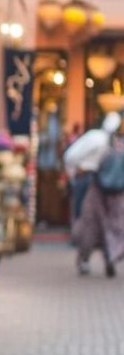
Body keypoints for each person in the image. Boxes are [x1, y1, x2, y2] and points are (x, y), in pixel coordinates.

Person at [64, 111, 124, 275]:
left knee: (97, 223)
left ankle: (103, 257)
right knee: (98, 223)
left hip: (106, 188)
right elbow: (71, 156)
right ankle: (103, 257)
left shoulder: (98, 138)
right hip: (100, 186)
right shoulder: (100, 139)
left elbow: (70, 156)